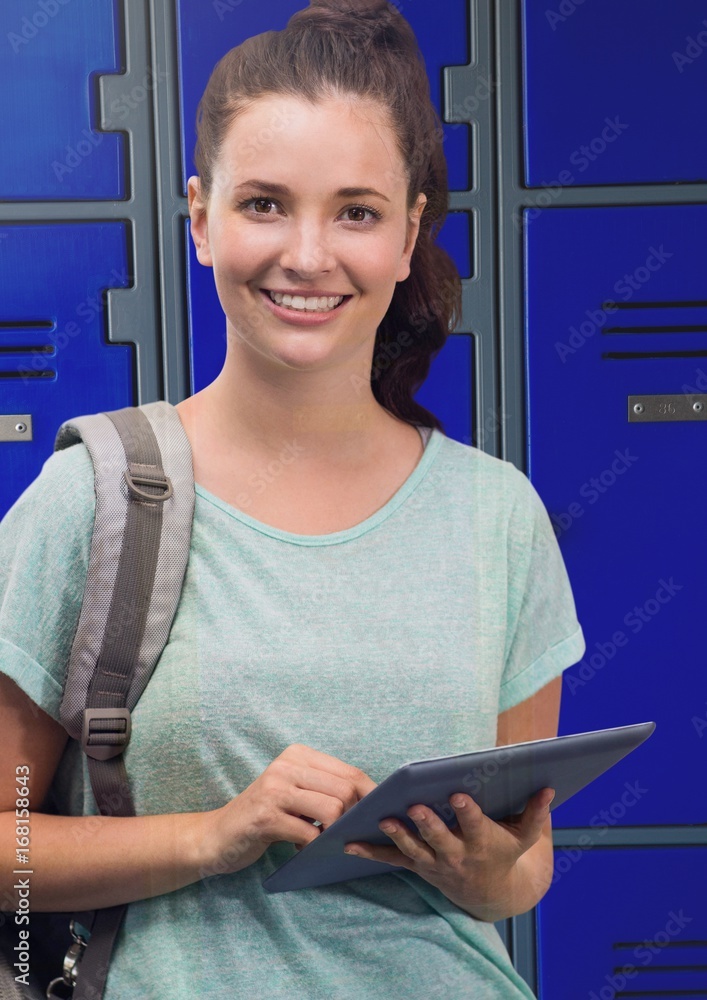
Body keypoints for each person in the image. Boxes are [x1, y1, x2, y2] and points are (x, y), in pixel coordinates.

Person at [0, 0, 586, 996]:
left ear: (408, 236)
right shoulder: (92, 499)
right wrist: (210, 835)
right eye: (263, 203)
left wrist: (491, 872)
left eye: (355, 211)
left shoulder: (498, 518)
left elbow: (523, 862)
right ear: (198, 219)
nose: (307, 255)